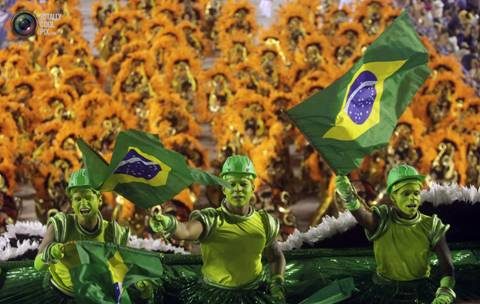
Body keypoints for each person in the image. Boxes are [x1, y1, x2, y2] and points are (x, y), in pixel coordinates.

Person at [149, 155, 286, 304]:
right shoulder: (211, 219)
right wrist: (168, 222)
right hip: (213, 297)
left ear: (252, 188)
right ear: (223, 189)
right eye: (232, 184)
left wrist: (277, 281)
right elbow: (186, 231)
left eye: (243, 184)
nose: (238, 189)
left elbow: (276, 257)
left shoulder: (265, 221)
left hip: (254, 295)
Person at [335, 164, 456, 304]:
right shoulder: (383, 219)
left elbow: (447, 268)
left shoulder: (432, 225)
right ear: (393, 196)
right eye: (406, 193)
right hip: (383, 290)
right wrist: (349, 196)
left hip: (420, 290)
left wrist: (445, 292)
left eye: (416, 193)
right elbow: (365, 217)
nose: (413, 199)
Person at [33, 169, 152, 302]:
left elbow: (124, 268)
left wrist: (139, 283)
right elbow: (37, 265)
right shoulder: (61, 225)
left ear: (99, 200)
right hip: (60, 296)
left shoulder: (114, 232)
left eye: (88, 197)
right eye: (78, 199)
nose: (83, 203)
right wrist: (49, 254)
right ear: (72, 203)